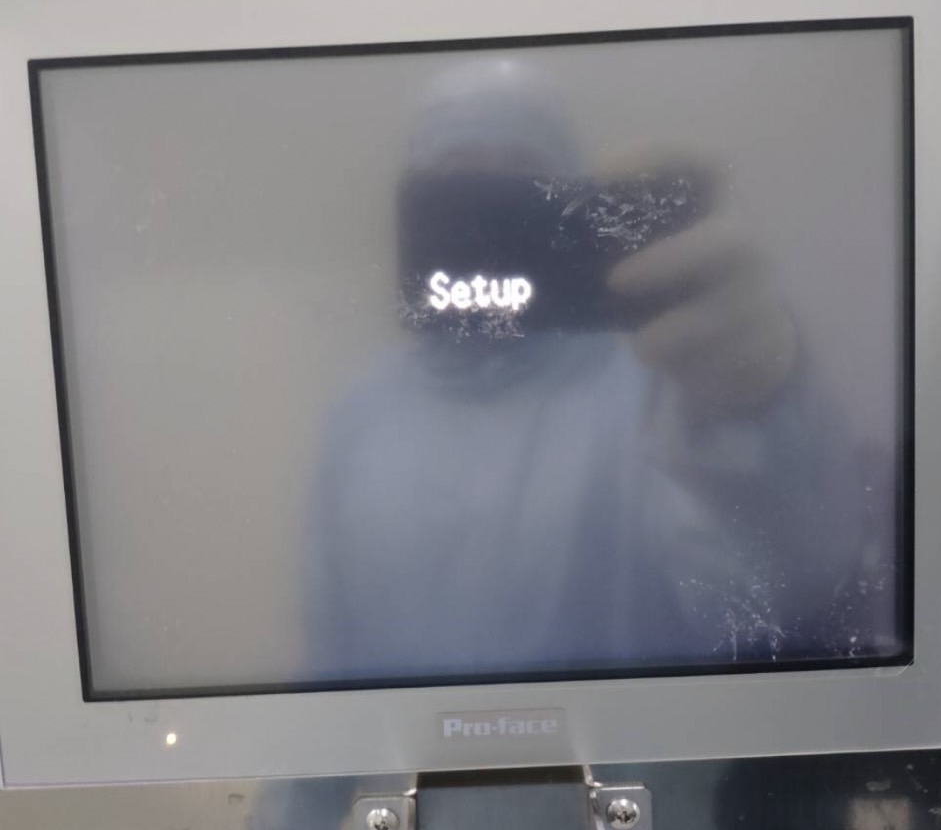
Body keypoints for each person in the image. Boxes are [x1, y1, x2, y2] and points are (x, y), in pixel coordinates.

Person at [302, 58, 873, 684]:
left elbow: (773, 595)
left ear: (565, 203)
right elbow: (331, 649)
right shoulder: (360, 418)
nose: (489, 215)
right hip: (405, 751)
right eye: (459, 182)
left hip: (634, 750)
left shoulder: (659, 382)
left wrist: (761, 408)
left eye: (521, 181)